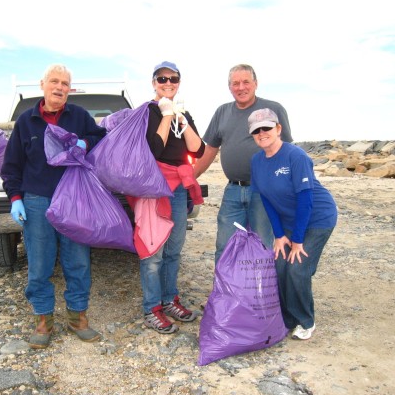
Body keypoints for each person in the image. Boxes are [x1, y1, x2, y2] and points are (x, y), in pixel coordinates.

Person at [1, 63, 106, 349]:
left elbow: (100, 136)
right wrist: (15, 198)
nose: (60, 88)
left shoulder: (79, 116)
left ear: (70, 90)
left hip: (74, 200)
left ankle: (77, 318)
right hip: (37, 202)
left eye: (65, 84)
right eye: (55, 82)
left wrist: (84, 142)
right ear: (43, 85)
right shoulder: (26, 121)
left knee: (78, 261)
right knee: (39, 264)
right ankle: (44, 320)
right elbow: (11, 166)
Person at [248, 108, 337, 340]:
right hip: (288, 221)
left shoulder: (295, 156)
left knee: (297, 268)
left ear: (278, 129)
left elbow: (306, 201)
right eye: (256, 130)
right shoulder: (257, 161)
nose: (261, 133)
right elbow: (266, 199)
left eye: (266, 127)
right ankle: (286, 318)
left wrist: (297, 240)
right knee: (279, 266)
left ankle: (306, 320)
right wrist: (279, 235)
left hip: (317, 218)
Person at [194, 64, 293, 264]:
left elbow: (287, 150)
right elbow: (210, 150)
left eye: (246, 82)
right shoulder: (222, 112)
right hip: (233, 190)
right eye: (235, 83)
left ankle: (260, 294)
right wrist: (189, 177)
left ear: (255, 84)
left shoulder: (273, 109)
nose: (241, 87)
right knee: (225, 246)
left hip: (264, 191)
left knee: (262, 245)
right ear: (229, 87)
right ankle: (224, 294)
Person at [137, 61, 206, 334]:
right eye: (162, 79)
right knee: (153, 250)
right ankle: (152, 307)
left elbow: (197, 149)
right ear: (153, 82)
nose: (168, 83)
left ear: (179, 82)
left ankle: (169, 299)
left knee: (174, 248)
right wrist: (166, 114)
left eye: (173, 79)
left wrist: (181, 119)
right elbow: (154, 148)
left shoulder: (182, 112)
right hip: (153, 187)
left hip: (177, 188)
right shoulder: (148, 112)